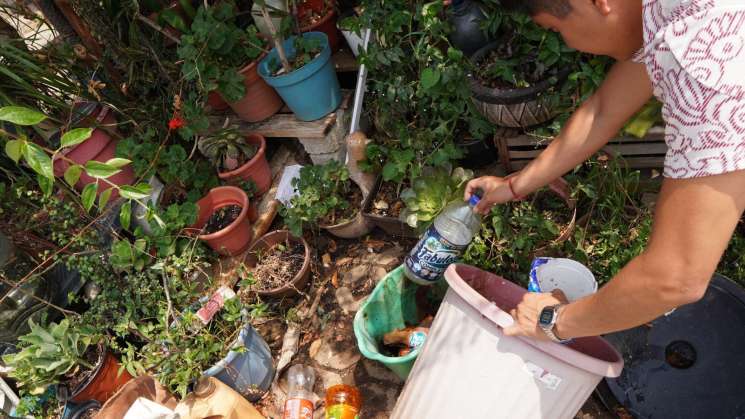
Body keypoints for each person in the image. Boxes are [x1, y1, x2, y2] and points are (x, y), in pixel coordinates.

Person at [464, 0, 745, 341]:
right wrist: (513, 187)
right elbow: (602, 110)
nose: (568, 43)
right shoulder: (667, 14)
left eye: (557, 29)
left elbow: (673, 279)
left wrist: (553, 321)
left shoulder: (708, 73)